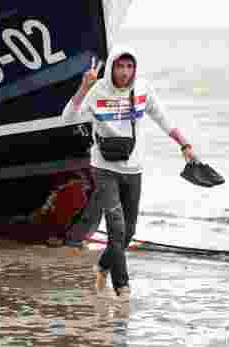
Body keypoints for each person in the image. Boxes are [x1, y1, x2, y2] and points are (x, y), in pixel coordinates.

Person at [59, 47, 196, 298]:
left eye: (129, 66)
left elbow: (162, 117)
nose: (124, 72)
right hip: (104, 168)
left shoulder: (142, 89)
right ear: (111, 67)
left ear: (135, 68)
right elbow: (67, 118)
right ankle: (122, 287)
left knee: (128, 231)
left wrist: (184, 144)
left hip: (134, 169)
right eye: (119, 66)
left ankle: (102, 266)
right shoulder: (97, 91)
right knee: (116, 227)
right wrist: (83, 87)